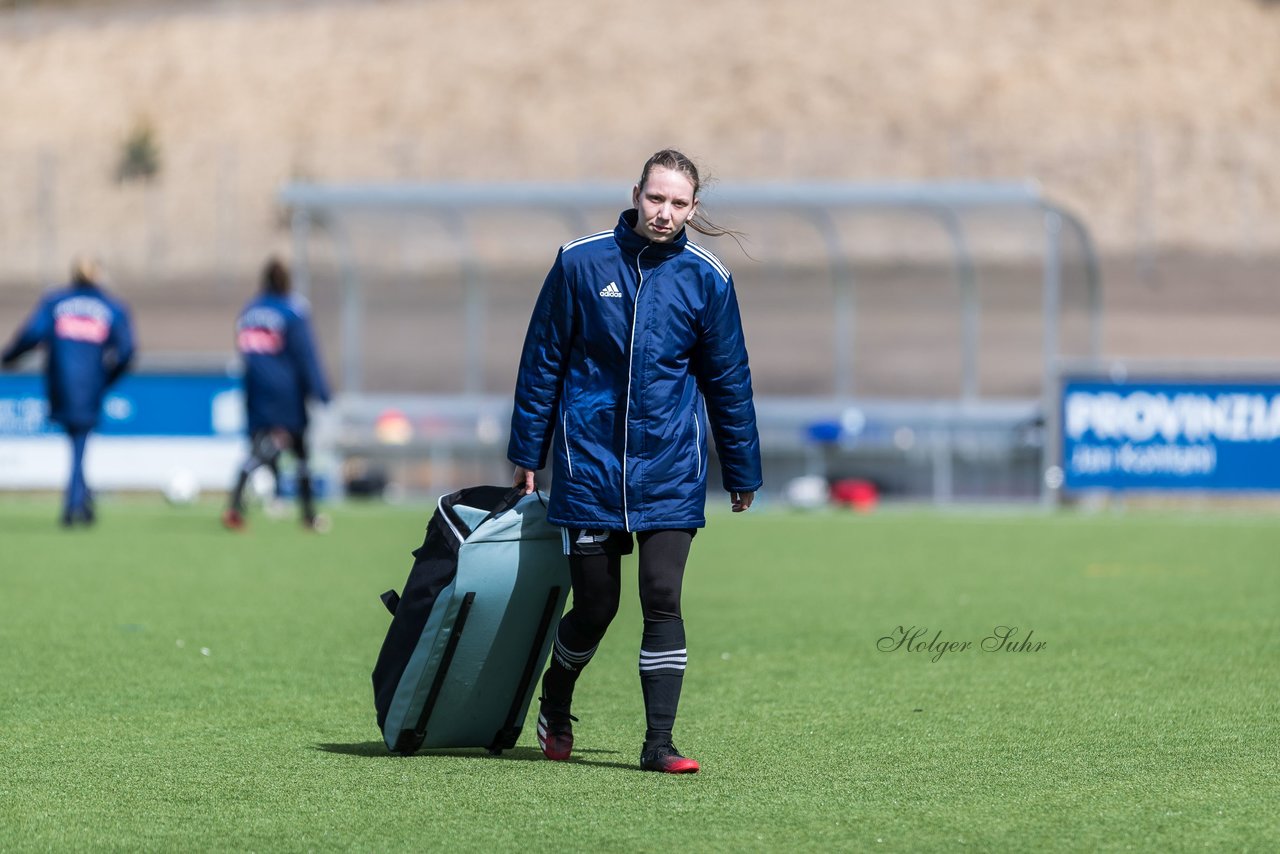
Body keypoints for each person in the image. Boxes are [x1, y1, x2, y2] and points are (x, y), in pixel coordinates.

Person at [508, 149, 762, 774]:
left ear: (694, 208)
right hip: (588, 464)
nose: (665, 213)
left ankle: (658, 744)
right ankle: (557, 699)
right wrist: (527, 452)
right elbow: (542, 361)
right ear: (636, 194)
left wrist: (741, 467)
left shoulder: (708, 279)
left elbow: (728, 379)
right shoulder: (579, 261)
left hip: (671, 467)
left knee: (663, 595)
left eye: (679, 203)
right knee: (596, 607)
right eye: (656, 199)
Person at [1, 256, 135, 527]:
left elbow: (31, 334)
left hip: (60, 382)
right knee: (79, 441)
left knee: (76, 441)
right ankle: (74, 505)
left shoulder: (55, 302)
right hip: (90, 384)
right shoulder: (111, 306)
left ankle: (81, 501)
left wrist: (9, 358)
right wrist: (107, 377)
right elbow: (127, 350)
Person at [223, 257, 331, 531]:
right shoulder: (292, 311)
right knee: (298, 451)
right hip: (286, 391)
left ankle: (236, 507)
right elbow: (305, 353)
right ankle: (308, 515)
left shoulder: (248, 312)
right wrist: (320, 390)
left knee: (261, 448)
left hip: (256, 390)